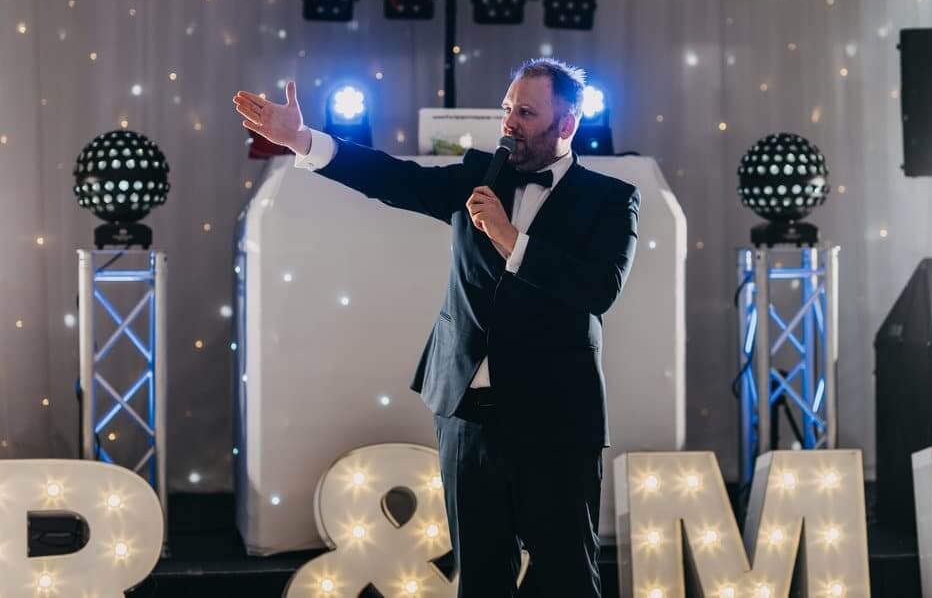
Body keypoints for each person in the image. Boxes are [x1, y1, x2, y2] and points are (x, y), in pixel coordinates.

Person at [232, 58, 640, 596]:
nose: (510, 122)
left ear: (566, 124)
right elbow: (394, 180)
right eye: (506, 109)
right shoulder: (481, 173)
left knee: (566, 574)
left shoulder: (610, 199)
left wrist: (510, 239)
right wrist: (305, 140)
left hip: (556, 421)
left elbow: (600, 290)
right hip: (467, 417)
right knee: (481, 576)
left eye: (526, 111)